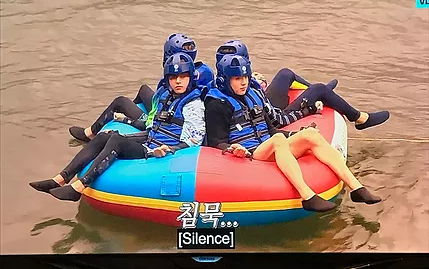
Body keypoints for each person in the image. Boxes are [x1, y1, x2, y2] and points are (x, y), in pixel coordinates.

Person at [204, 54, 382, 212]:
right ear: (225, 79)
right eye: (237, 78)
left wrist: (298, 134)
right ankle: (307, 196)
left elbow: (271, 129)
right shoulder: (216, 103)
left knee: (310, 136)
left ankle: (357, 188)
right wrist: (233, 149)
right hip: (251, 153)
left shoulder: (255, 94)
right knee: (278, 139)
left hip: (269, 146)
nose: (243, 82)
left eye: (245, 77)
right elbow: (216, 140)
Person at [29, 52, 206, 202]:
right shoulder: (167, 96)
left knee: (117, 141)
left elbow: (194, 139)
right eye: (173, 77)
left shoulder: (193, 105)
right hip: (151, 139)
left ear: (190, 77)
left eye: (183, 77)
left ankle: (80, 186)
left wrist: (168, 150)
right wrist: (126, 121)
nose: (178, 81)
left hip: (160, 149)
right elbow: (153, 125)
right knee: (105, 135)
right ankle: (60, 178)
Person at [214, 39, 390, 130]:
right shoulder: (227, 88)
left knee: (285, 73)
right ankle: (359, 118)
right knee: (319, 88)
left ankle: (322, 93)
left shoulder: (233, 79)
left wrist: (259, 82)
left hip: (265, 104)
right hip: (270, 117)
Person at [68, 33, 214, 143]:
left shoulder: (179, 79)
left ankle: (90, 134)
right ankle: (131, 115)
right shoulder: (203, 70)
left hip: (170, 120)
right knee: (144, 89)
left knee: (121, 102)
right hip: (173, 111)